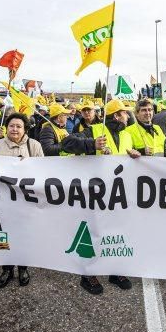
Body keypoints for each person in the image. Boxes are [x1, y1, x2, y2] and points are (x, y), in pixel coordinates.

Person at [61, 99, 139, 295]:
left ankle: (115, 270)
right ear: (116, 116)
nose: (128, 116)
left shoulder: (127, 134)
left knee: (117, 231)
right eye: (125, 113)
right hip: (96, 193)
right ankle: (88, 275)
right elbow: (66, 143)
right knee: (93, 232)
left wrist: (136, 155)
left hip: (118, 194)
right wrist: (91, 144)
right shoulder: (95, 130)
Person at [0, 112, 44, 289]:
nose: (15, 129)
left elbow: (43, 170)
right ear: (7, 128)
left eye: (19, 126)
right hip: (4, 201)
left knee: (24, 235)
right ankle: (7, 270)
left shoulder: (34, 145)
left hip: (26, 200)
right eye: (12, 126)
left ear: (25, 129)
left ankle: (23, 268)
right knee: (5, 235)